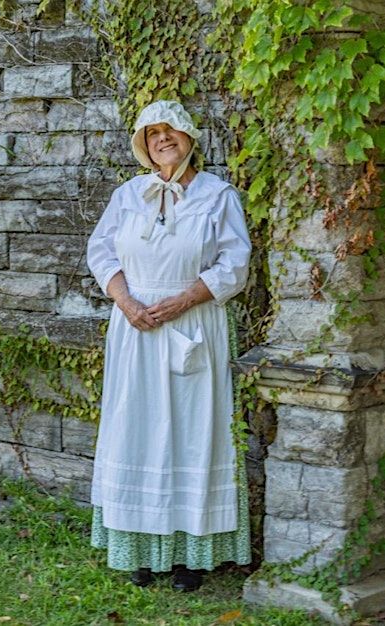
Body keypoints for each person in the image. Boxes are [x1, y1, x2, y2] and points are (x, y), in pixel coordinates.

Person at [86, 100, 252, 590]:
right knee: (136, 428)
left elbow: (234, 265)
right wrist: (126, 301)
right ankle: (140, 546)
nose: (163, 139)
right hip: (135, 326)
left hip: (194, 321)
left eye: (171, 130)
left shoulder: (218, 196)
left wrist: (182, 301)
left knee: (192, 432)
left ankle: (190, 556)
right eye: (152, 133)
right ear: (142, 145)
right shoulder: (128, 195)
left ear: (189, 138)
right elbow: (101, 253)